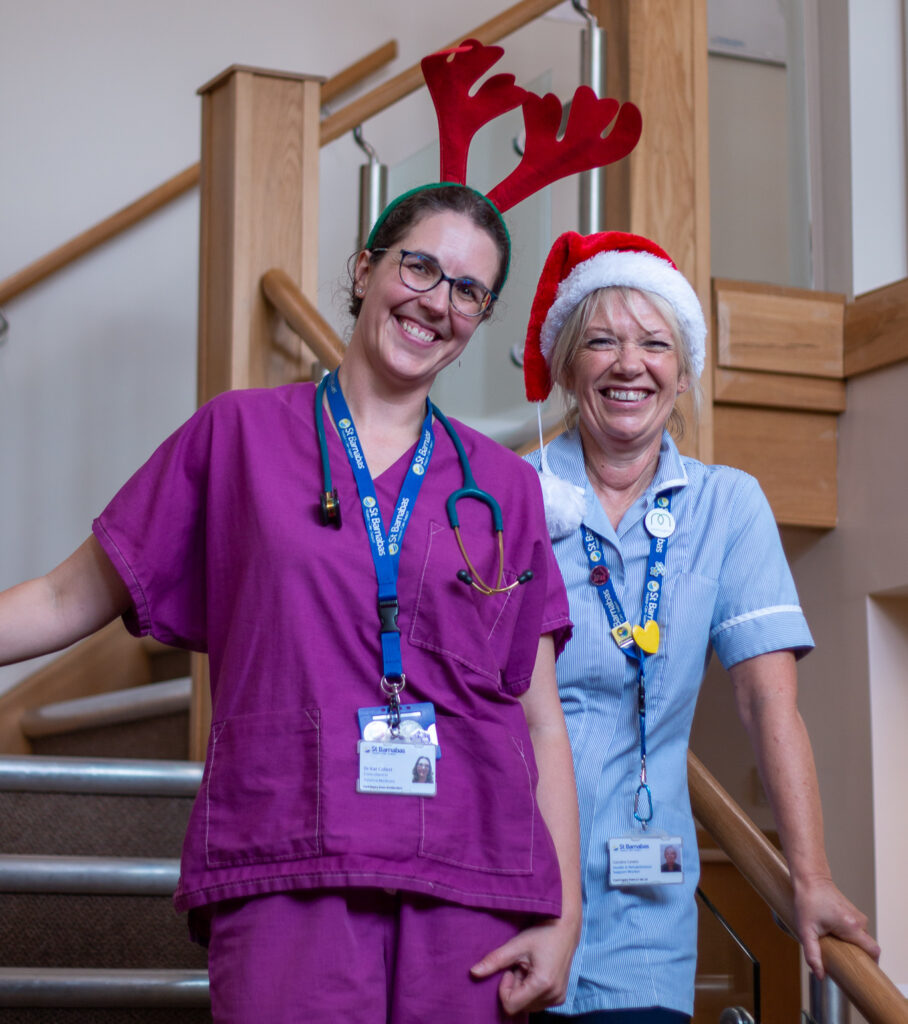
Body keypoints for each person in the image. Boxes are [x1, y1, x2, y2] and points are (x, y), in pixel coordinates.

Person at [0, 184, 582, 1023]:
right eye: (419, 266)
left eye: (468, 291)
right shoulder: (234, 437)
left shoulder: (504, 489)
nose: (437, 303)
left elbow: (540, 722)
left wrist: (563, 914)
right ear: (364, 267)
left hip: (470, 881)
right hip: (285, 858)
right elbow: (65, 594)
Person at [521, 231, 880, 1022]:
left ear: (681, 375)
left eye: (655, 344)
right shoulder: (509, 496)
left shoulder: (730, 506)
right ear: (569, 364)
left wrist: (809, 876)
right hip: (503, 883)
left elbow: (766, 703)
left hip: (643, 906)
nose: (628, 364)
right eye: (602, 341)